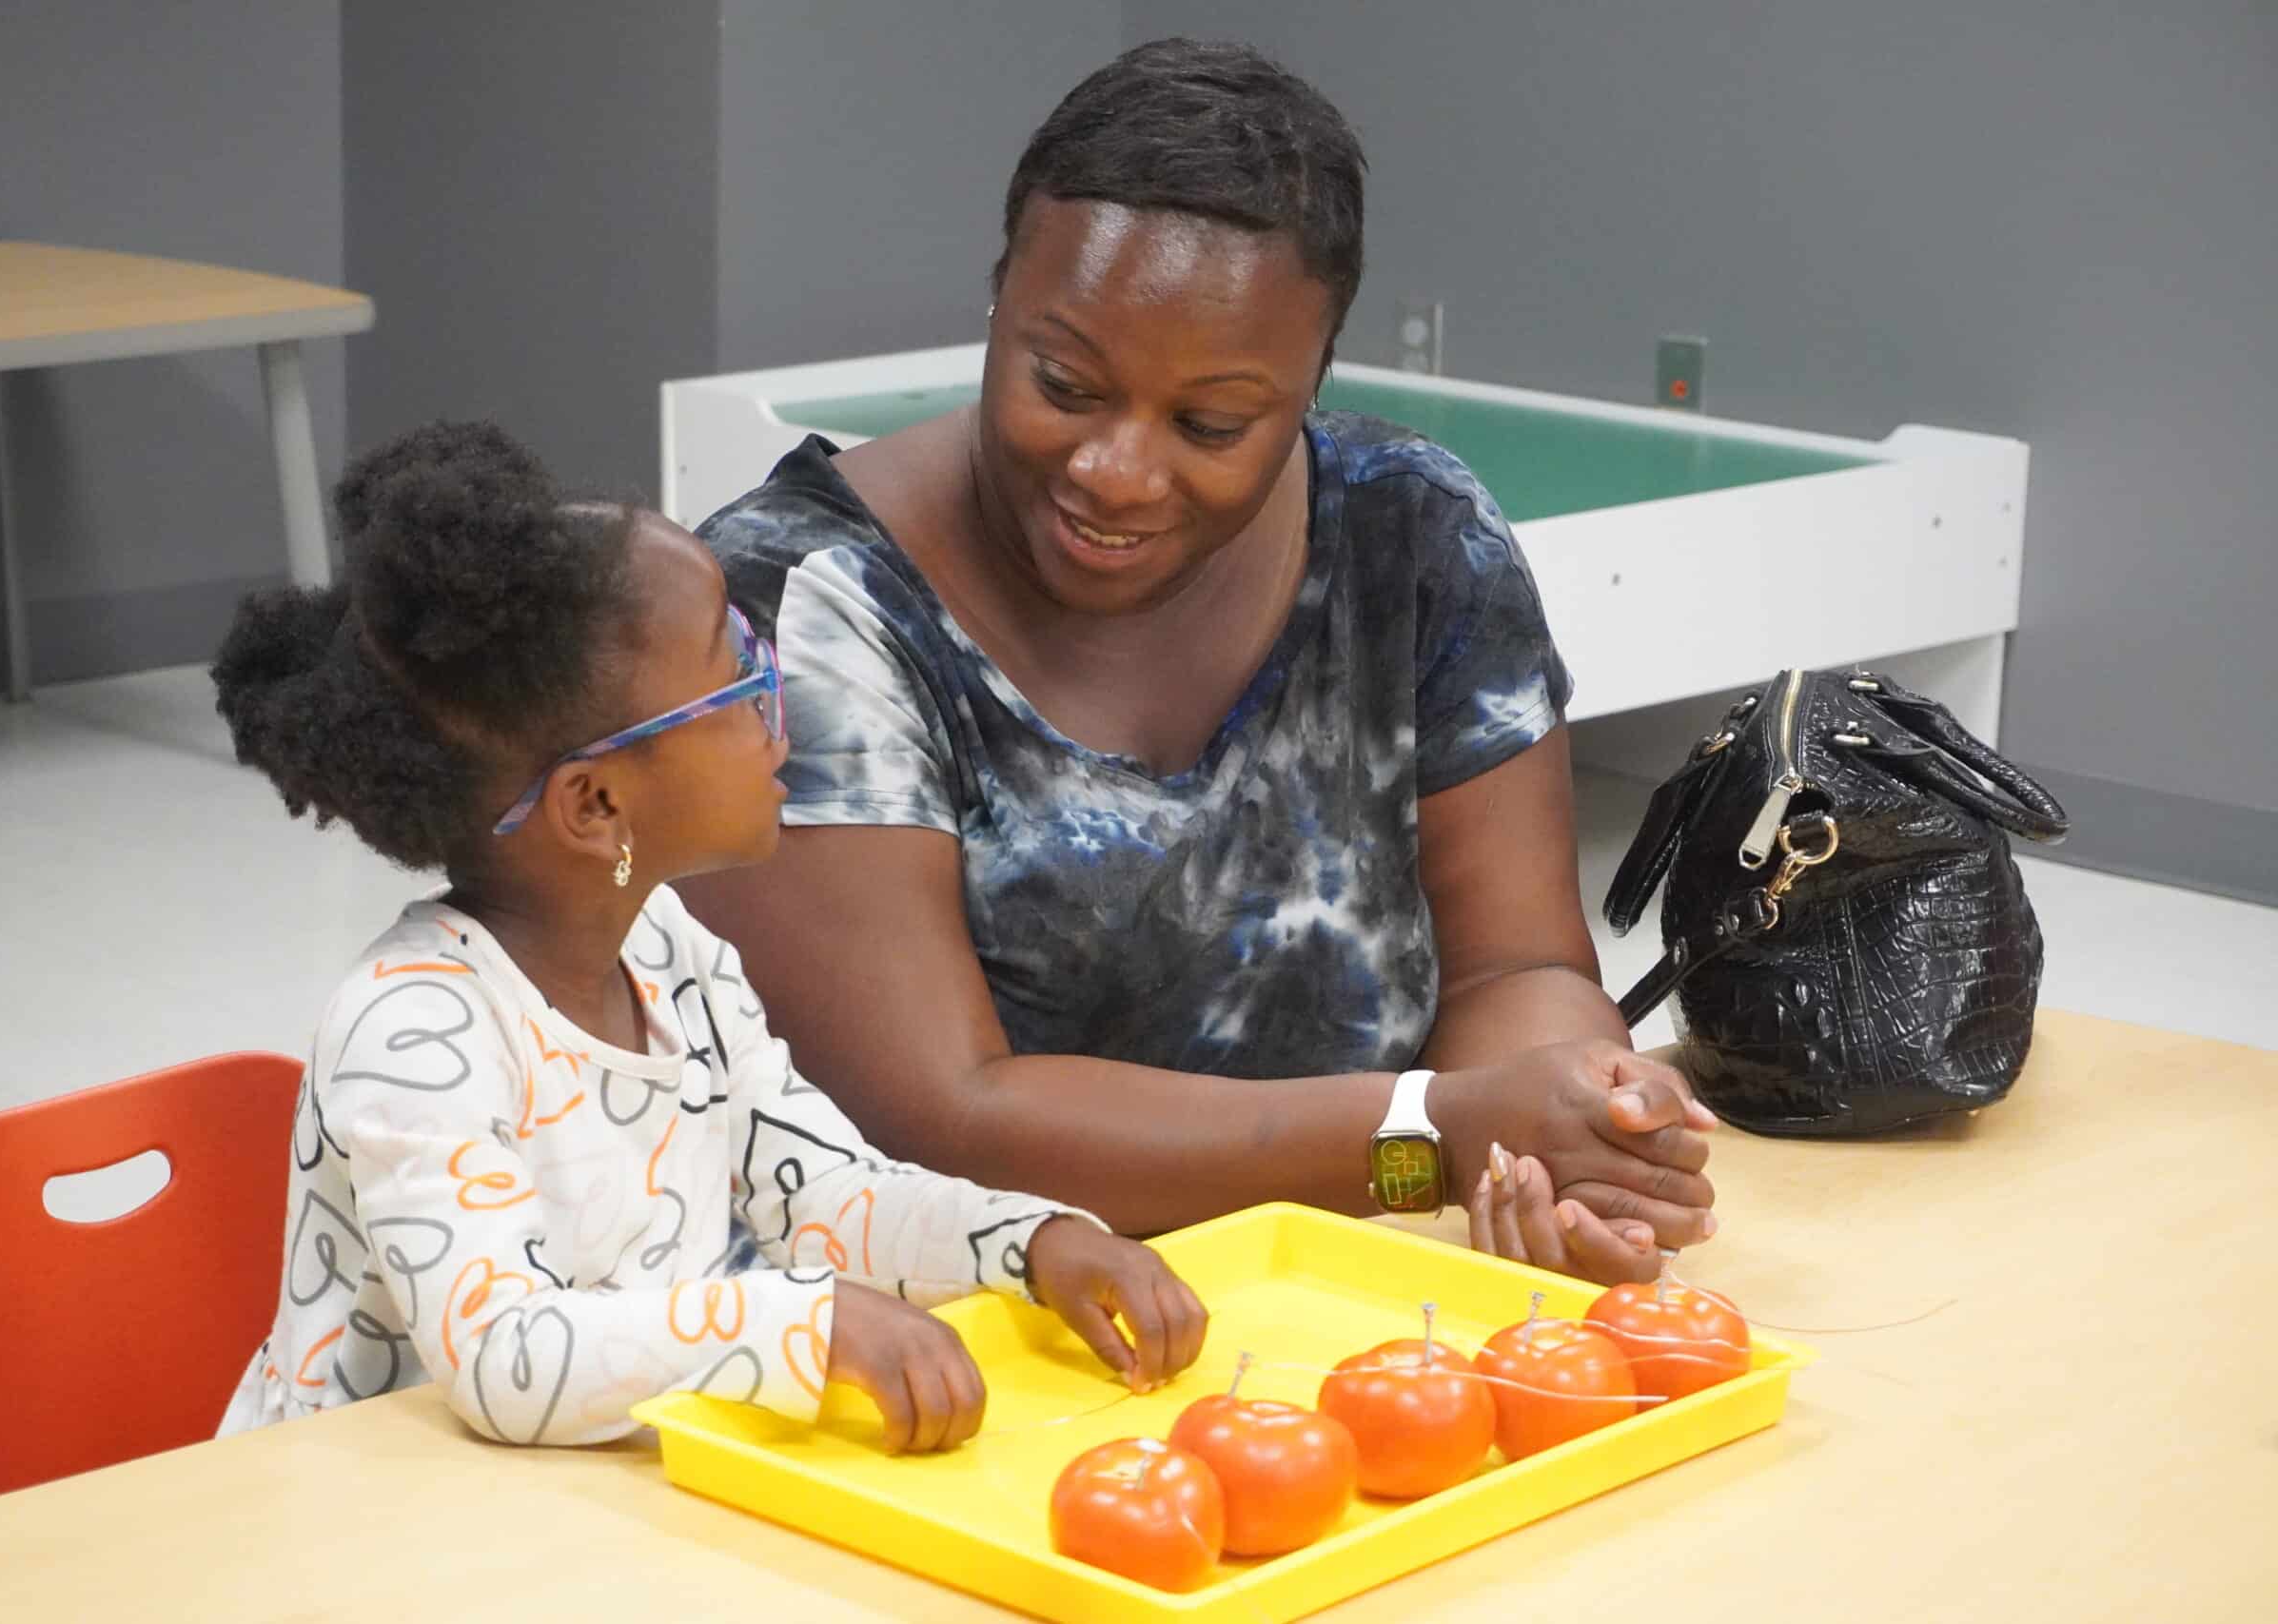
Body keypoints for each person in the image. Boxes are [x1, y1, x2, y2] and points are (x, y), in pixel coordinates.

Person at [686, 38, 1716, 1286]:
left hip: (1328, 1322)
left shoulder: (1413, 535)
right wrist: (1432, 1142)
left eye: (1210, 424)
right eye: (1063, 383)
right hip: (931, 1349)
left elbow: (1521, 966)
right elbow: (941, 1123)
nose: (1115, 472)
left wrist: (1554, 1151)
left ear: (1311, 388)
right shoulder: (801, 600)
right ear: (1000, 295)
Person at [209, 421, 1206, 1452]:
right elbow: (507, 1359)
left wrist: (1031, 1241)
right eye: (740, 675)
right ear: (595, 806)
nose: (782, 701)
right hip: (361, 1527)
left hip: (576, 1508)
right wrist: (800, 1324)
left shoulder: (669, 956)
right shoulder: (412, 1030)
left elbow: (820, 1194)